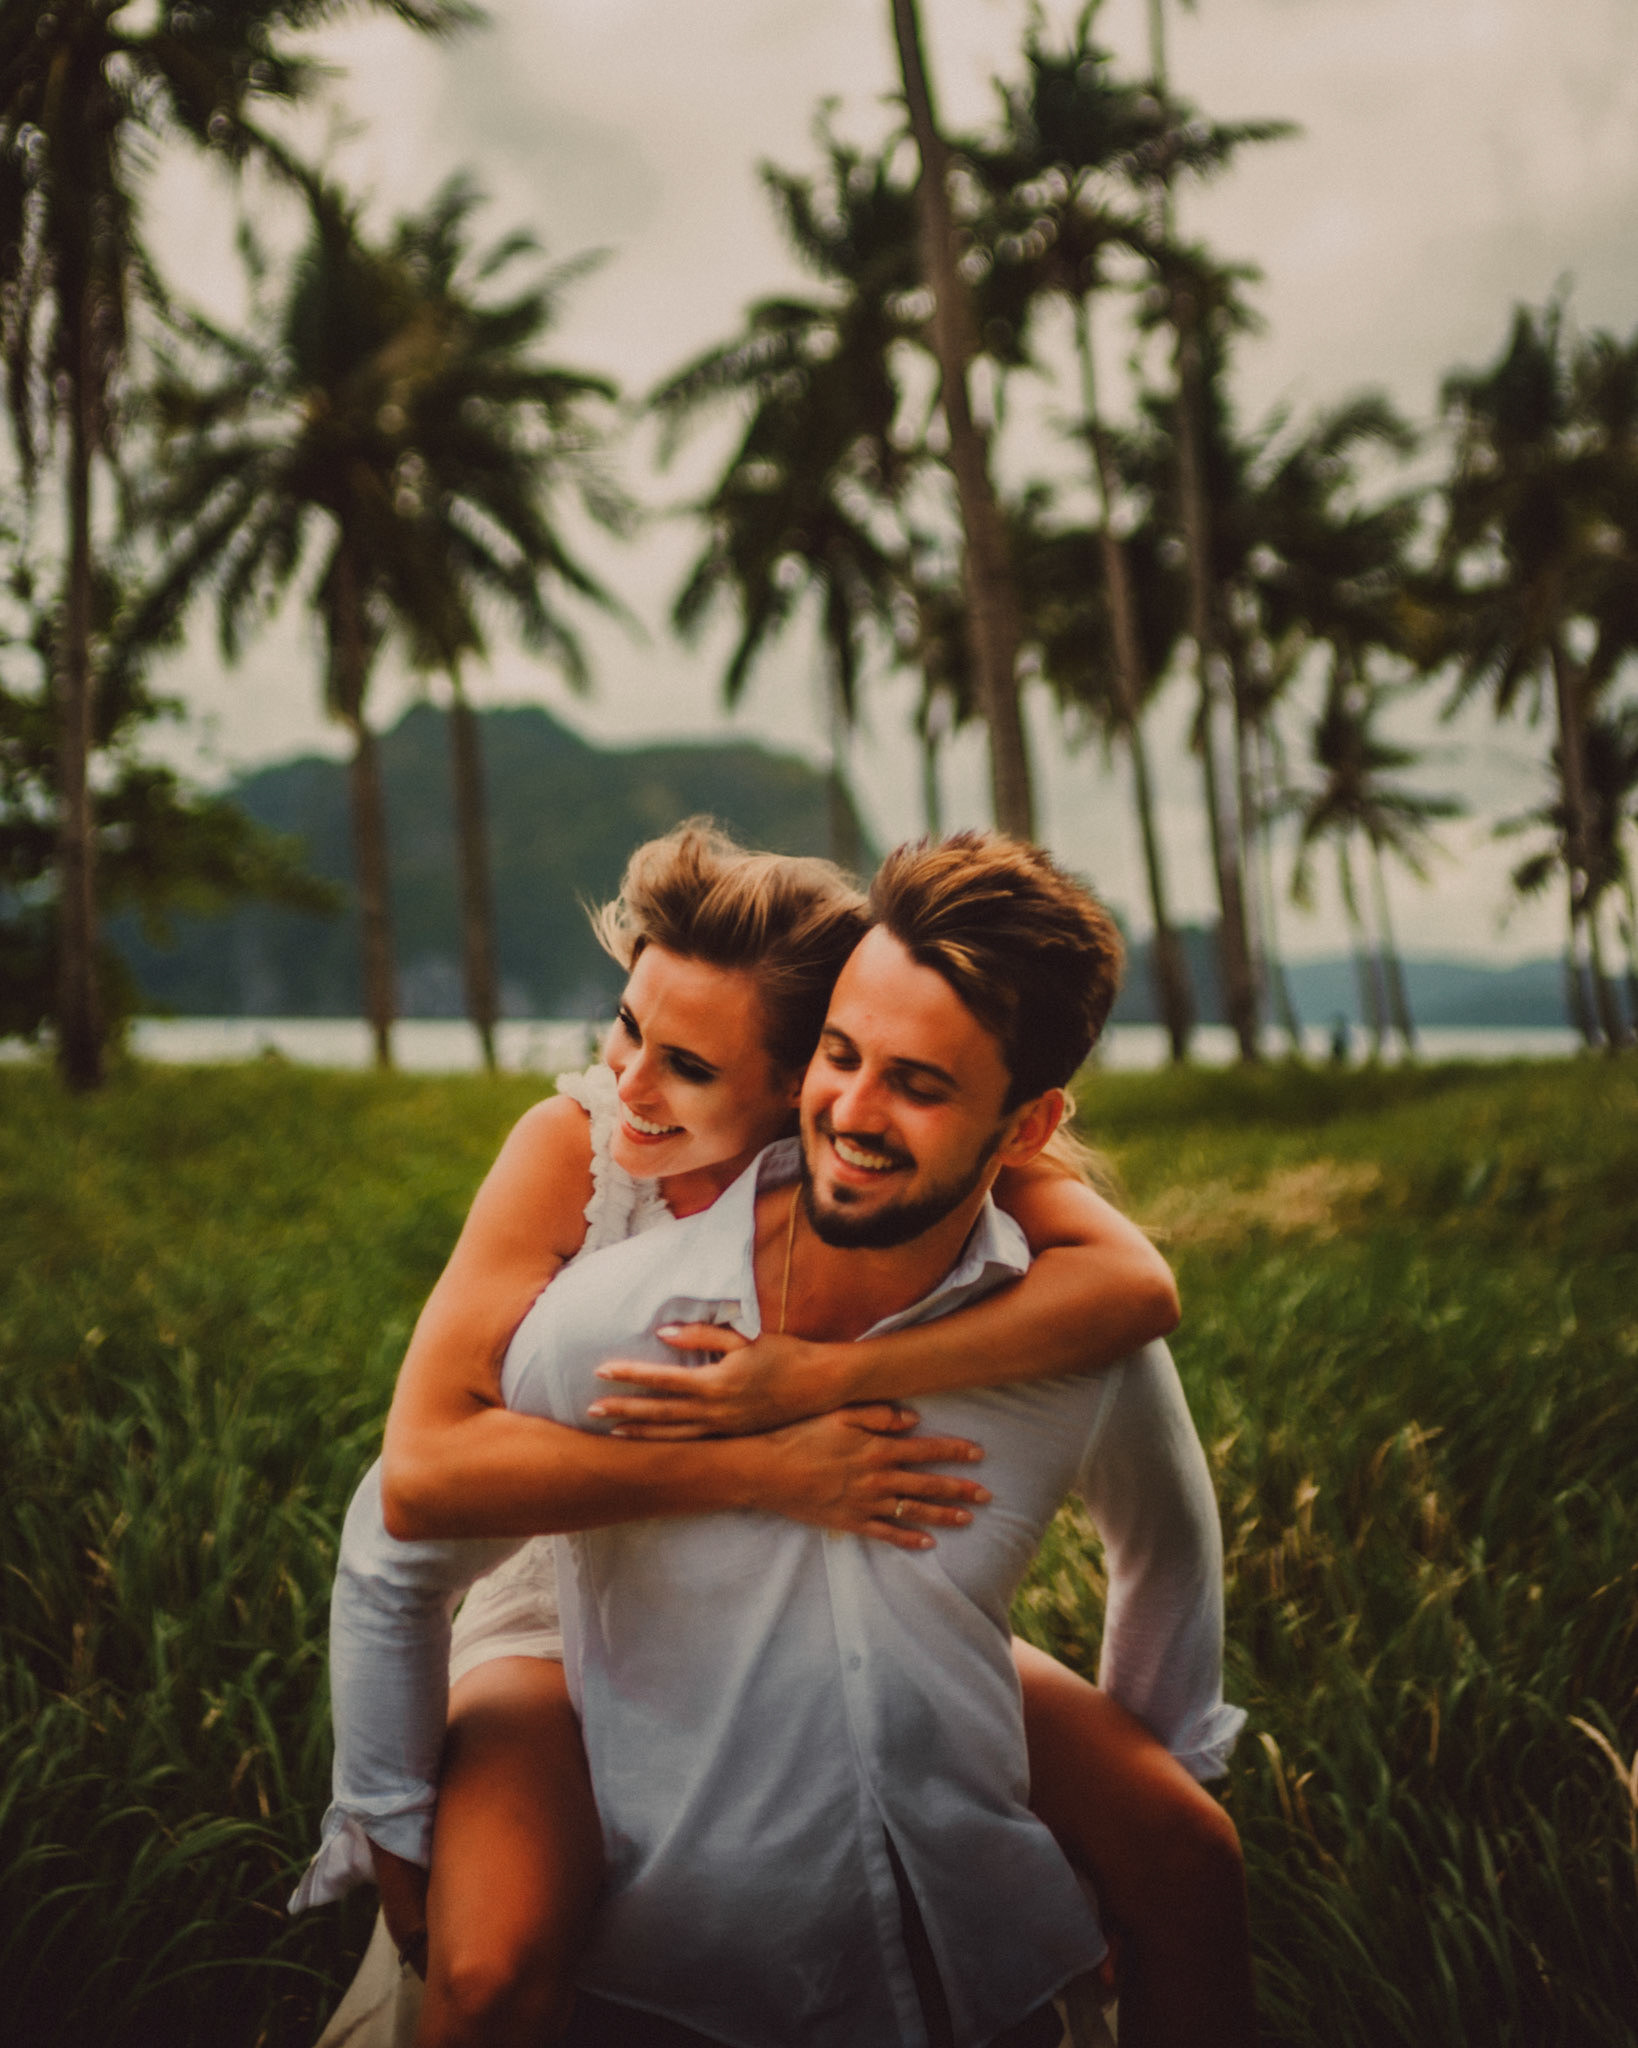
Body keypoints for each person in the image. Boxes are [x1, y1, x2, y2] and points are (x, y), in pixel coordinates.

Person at [300, 826, 1249, 2047]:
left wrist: (820, 1376)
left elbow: (1134, 1287)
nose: (628, 1080)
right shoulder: (574, 1152)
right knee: (495, 1961)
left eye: (686, 1062)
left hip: (804, 1571)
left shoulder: (903, 1164)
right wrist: (753, 1455)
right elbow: (420, 1481)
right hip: (537, 1572)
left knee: (1178, 1846)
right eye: (626, 1025)